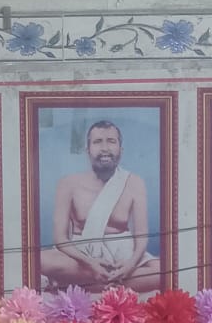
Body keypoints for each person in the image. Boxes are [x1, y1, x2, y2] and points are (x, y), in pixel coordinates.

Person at [40, 120, 161, 294]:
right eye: (97, 142)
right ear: (88, 150)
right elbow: (60, 239)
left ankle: (84, 283)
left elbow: (141, 235)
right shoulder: (68, 184)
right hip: (81, 257)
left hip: (123, 256)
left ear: (121, 149)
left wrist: (130, 264)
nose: (105, 148)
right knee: (40, 260)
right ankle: (113, 283)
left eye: (111, 141)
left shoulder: (134, 182)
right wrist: (90, 263)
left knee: (165, 270)